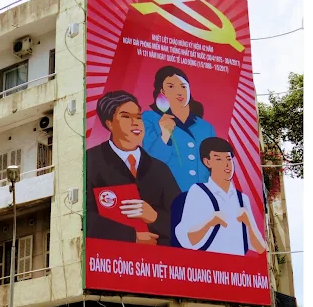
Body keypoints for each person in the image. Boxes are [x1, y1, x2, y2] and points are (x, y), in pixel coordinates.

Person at [86, 90, 181, 246]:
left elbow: (184, 222)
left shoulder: (160, 169)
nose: (135, 122)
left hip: (159, 264)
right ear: (109, 123)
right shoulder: (91, 160)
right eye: (126, 117)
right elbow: (82, 218)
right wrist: (131, 236)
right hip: (109, 261)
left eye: (138, 117)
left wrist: (154, 217)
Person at [174, 137, 266, 255]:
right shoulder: (199, 192)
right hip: (207, 268)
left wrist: (248, 223)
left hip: (238, 269)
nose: (227, 165)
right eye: (219, 159)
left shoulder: (242, 199)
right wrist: (210, 223)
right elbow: (186, 240)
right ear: (207, 162)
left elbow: (260, 248)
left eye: (228, 159)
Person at [142, 66, 216, 192]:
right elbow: (149, 164)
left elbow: (214, 165)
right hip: (166, 197)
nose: (179, 92)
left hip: (202, 197)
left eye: (183, 86)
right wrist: (164, 135)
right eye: (171, 86)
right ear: (162, 91)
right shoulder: (150, 118)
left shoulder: (206, 127)